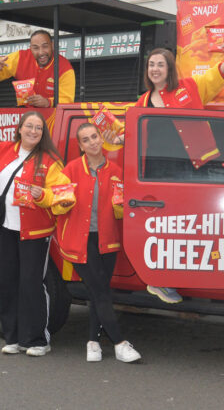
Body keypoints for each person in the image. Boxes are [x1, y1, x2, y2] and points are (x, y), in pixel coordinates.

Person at [106, 41, 224, 304]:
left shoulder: (189, 87)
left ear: (170, 69)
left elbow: (219, 75)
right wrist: (116, 138)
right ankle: (159, 279)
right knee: (165, 226)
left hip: (199, 165)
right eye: (151, 65)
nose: (155, 69)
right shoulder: (142, 102)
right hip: (160, 170)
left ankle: (206, 275)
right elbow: (131, 138)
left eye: (160, 64)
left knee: (203, 221)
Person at [54, 123, 141, 363]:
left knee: (97, 292)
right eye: (86, 139)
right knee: (100, 291)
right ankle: (119, 342)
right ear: (80, 146)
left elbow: (121, 206)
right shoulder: (70, 170)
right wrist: (60, 202)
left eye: (95, 136)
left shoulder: (116, 170)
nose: (92, 142)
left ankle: (93, 342)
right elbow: (57, 200)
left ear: (101, 138)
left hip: (107, 242)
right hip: (78, 241)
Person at [0, 111, 70, 357]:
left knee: (31, 284)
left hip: (35, 232)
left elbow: (63, 198)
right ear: (19, 128)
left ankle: (38, 339)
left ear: (43, 133)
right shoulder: (5, 151)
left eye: (38, 128)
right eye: (29, 126)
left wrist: (44, 197)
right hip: (6, 228)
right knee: (7, 282)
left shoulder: (50, 161)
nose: (33, 131)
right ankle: (14, 337)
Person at [0, 29, 75, 106]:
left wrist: (48, 102)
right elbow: (2, 64)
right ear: (30, 48)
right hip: (26, 115)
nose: (41, 52)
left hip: (53, 116)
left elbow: (67, 100)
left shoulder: (65, 67)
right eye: (35, 48)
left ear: (52, 46)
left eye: (45, 46)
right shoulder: (20, 57)